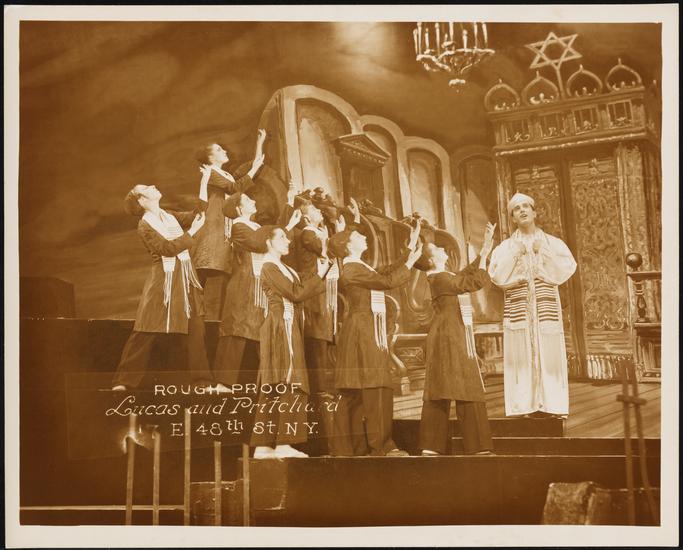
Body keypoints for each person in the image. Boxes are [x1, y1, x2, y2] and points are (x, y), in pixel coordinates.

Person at [328, 208, 423, 456]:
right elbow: (386, 282)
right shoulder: (352, 268)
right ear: (349, 246)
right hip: (363, 331)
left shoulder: (358, 266)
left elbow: (385, 271)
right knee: (374, 385)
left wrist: (409, 249)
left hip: (364, 329)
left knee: (361, 389)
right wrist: (410, 262)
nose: (365, 237)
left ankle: (356, 447)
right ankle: (381, 446)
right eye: (358, 236)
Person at [112, 183, 213, 390]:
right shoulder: (145, 226)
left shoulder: (169, 215)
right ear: (141, 200)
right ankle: (124, 381)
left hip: (186, 275)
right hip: (163, 280)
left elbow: (197, 214)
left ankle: (202, 381)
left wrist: (204, 182)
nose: (153, 186)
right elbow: (167, 249)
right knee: (147, 328)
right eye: (146, 188)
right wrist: (193, 232)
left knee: (196, 328)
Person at [488, 192, 577, 418]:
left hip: (544, 310)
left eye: (526, 206)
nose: (522, 211)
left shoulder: (552, 243)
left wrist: (542, 252)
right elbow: (496, 276)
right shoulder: (505, 248)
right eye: (517, 209)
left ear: (535, 212)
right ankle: (523, 406)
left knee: (549, 351)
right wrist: (515, 255)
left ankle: (553, 405)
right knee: (520, 355)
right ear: (513, 218)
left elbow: (567, 268)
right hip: (519, 311)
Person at [416, 223, 496, 456]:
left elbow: (466, 273)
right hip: (447, 335)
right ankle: (470, 445)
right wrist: (483, 261)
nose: (443, 249)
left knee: (455, 383)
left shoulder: (444, 275)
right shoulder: (438, 278)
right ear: (431, 260)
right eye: (437, 249)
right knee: (460, 383)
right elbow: (472, 282)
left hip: (451, 332)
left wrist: (485, 249)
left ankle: (434, 445)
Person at [250, 225, 330, 458]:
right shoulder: (269, 266)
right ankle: (284, 442)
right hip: (281, 326)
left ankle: (264, 445)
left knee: (276, 383)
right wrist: (320, 274)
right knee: (290, 380)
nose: (288, 241)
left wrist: (321, 267)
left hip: (284, 326)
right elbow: (296, 293)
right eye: (282, 237)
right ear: (268, 241)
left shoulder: (281, 267)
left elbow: (302, 284)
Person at [212, 189, 301, 389]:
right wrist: (288, 226)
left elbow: (271, 237)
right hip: (244, 286)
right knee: (237, 331)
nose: (253, 200)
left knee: (261, 331)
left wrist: (288, 203)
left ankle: (269, 382)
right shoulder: (238, 226)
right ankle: (223, 382)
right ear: (239, 208)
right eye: (247, 199)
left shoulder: (254, 226)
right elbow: (259, 242)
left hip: (257, 283)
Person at [293, 200, 354, 456]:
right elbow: (328, 248)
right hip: (313, 296)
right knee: (316, 347)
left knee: (324, 346)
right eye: (315, 210)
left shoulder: (319, 233)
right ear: (306, 217)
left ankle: (325, 392)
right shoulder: (308, 234)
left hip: (322, 295)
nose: (320, 213)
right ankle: (320, 398)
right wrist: (340, 232)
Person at [193, 130, 267, 300]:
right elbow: (235, 188)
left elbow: (253, 167)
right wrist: (254, 168)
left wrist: (260, 143)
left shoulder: (225, 175)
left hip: (224, 226)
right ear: (210, 157)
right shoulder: (211, 173)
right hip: (214, 226)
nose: (224, 151)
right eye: (219, 150)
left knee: (223, 271)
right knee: (209, 268)